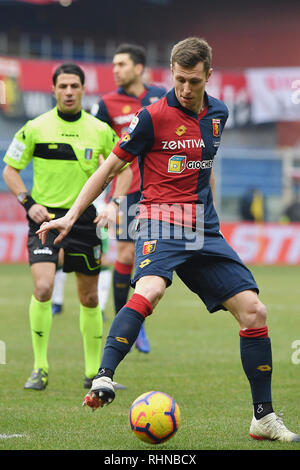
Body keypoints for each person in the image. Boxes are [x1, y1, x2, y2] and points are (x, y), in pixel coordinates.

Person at [37, 39, 300, 442]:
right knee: (151, 289)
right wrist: (73, 215)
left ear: (208, 75)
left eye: (194, 81)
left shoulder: (219, 114)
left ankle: (262, 418)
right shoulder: (151, 117)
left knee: (254, 312)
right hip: (159, 220)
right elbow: (109, 168)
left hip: (203, 227)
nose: (185, 89)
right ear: (171, 75)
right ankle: (104, 377)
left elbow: (202, 169)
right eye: (179, 80)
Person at [2, 63, 130, 391]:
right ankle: (40, 368)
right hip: (45, 222)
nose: (69, 92)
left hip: (85, 221)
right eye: (63, 86)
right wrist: (29, 203)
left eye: (74, 86)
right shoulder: (35, 127)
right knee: (43, 288)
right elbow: (10, 170)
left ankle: (94, 372)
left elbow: (126, 169)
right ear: (54, 89)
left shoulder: (99, 130)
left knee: (88, 298)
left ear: (84, 89)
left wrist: (114, 204)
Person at [92, 43, 166, 353]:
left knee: (150, 259)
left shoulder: (162, 95)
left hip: (161, 189)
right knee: (124, 255)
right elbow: (96, 142)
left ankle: (135, 319)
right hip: (127, 189)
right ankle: (130, 324)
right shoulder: (106, 103)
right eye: (113, 65)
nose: (115, 70)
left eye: (121, 64)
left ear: (138, 68)